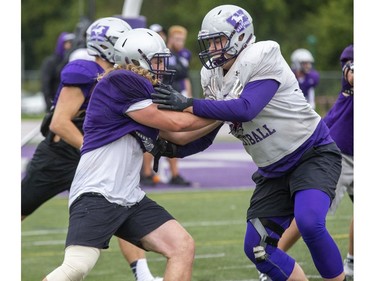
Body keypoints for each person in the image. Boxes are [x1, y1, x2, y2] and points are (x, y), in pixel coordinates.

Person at [152, 4, 346, 280]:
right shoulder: (212, 75)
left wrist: (188, 104)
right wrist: (171, 148)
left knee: (309, 222)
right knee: (257, 248)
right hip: (272, 169)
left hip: (310, 154)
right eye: (209, 41)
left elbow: (246, 108)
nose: (212, 48)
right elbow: (208, 133)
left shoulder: (263, 54)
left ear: (241, 37)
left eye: (218, 40)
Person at [42, 27, 222, 281]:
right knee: (77, 267)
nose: (162, 67)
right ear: (136, 60)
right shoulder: (120, 80)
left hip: (128, 197)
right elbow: (178, 124)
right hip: (98, 192)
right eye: (157, 60)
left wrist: (225, 115)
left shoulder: (138, 92)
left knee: (181, 246)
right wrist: (224, 108)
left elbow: (181, 139)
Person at [22, 17, 161, 281]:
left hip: (92, 159)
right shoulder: (84, 70)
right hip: (61, 157)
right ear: (108, 45)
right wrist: (91, 149)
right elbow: (60, 122)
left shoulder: (121, 76)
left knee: (122, 205)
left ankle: (143, 275)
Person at [258, 44, 354, 281]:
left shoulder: (311, 77)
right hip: (339, 147)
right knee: (309, 217)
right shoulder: (354, 55)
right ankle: (274, 259)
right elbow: (352, 72)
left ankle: (353, 260)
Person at [141, 24, 193, 186]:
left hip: (175, 95)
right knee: (152, 133)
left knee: (172, 136)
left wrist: (188, 94)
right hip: (160, 95)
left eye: (181, 39)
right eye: (176, 39)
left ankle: (174, 174)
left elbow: (184, 78)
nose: (179, 42)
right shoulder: (158, 54)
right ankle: (146, 173)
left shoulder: (183, 55)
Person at [40, 31, 75, 111]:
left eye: (72, 42)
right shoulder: (51, 62)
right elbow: (46, 84)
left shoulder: (74, 60)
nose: (70, 45)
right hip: (55, 102)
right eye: (68, 42)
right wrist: (49, 104)